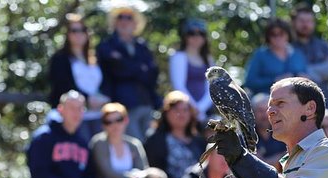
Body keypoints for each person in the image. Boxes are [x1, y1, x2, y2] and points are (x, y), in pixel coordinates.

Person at [97, 4, 160, 141]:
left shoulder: (143, 46)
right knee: (135, 144)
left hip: (146, 103)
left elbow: (152, 73)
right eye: (120, 17)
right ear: (114, 22)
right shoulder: (106, 46)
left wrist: (127, 66)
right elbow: (117, 71)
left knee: (150, 145)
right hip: (123, 106)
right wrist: (138, 68)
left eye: (129, 17)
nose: (124, 21)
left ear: (135, 22)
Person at [291, 3, 328, 142]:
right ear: (294, 23)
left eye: (309, 21)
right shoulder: (288, 47)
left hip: (326, 102)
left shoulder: (323, 46)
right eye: (302, 21)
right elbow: (289, 72)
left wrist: (308, 72)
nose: (305, 25)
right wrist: (323, 69)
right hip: (297, 104)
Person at [48, 13, 107, 142]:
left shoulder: (95, 58)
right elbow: (62, 86)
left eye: (83, 30)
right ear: (67, 35)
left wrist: (103, 98)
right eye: (74, 30)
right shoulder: (60, 59)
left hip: (98, 114)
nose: (79, 34)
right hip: (75, 116)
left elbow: (103, 83)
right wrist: (86, 99)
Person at [144, 90, 206, 178]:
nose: (181, 114)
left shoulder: (200, 141)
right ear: (166, 112)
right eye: (176, 110)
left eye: (185, 110)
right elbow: (154, 168)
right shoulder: (155, 140)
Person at [89, 102, 148, 178]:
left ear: (126, 120)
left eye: (118, 120)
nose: (114, 125)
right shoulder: (99, 142)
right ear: (103, 125)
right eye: (108, 122)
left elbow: (143, 170)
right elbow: (107, 172)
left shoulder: (134, 144)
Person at [244, 18, 308, 96]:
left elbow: (307, 77)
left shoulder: (297, 54)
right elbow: (250, 82)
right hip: (266, 96)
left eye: (281, 33)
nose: (277, 37)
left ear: (288, 34)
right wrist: (274, 80)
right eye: (273, 34)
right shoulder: (260, 55)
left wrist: (303, 78)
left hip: (294, 97)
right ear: (268, 37)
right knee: (263, 105)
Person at [169, 18, 214, 122]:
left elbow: (211, 87)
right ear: (185, 36)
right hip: (183, 111)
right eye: (192, 33)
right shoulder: (178, 57)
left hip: (205, 112)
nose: (196, 37)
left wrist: (201, 108)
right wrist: (193, 108)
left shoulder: (209, 59)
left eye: (201, 33)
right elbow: (179, 85)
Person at [251, 93, 287, 165]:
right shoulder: (248, 135)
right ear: (253, 113)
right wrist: (281, 156)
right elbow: (253, 165)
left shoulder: (283, 130)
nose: (264, 115)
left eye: (267, 111)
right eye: (260, 111)